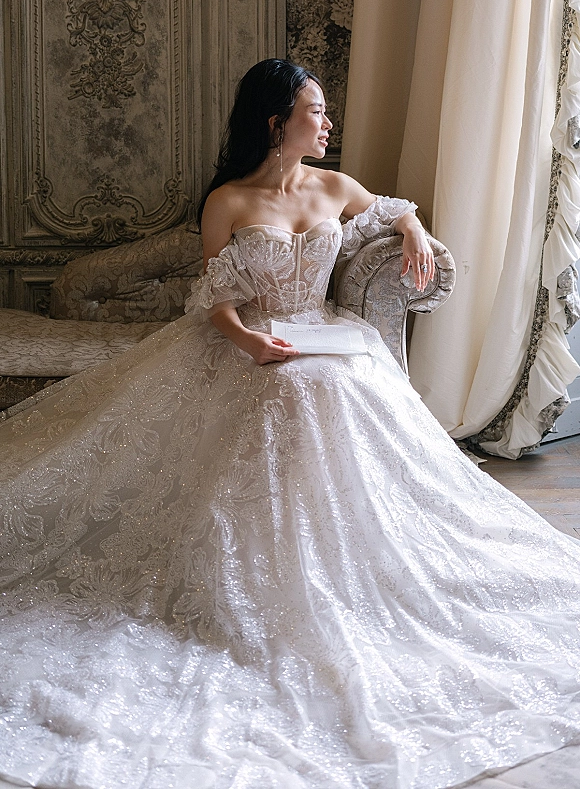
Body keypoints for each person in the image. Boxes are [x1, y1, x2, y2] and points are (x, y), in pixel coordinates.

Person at [0, 59, 580, 789]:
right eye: (316, 110)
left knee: (327, 386)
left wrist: (413, 232)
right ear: (277, 122)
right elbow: (213, 298)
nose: (328, 123)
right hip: (248, 340)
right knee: (285, 391)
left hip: (324, 334)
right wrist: (247, 340)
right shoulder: (228, 201)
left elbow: (391, 206)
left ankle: (356, 550)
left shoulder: (332, 185)